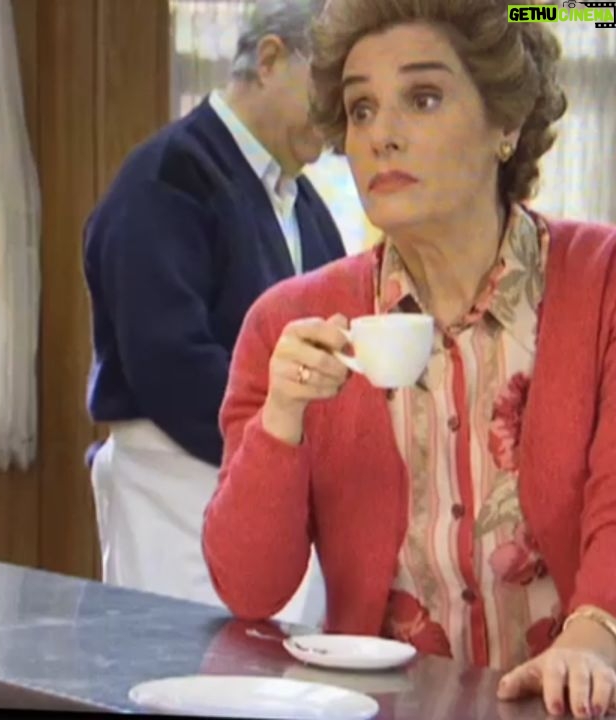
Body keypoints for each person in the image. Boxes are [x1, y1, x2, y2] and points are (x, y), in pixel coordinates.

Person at [202, 0, 616, 716]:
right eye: (361, 109)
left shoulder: (603, 281)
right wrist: (281, 420)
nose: (381, 135)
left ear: (505, 124)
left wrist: (594, 635)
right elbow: (249, 589)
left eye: (422, 98)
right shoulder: (286, 322)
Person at [83, 0, 345, 621]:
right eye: (330, 89)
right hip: (178, 492)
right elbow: (170, 364)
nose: (338, 119)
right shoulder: (167, 177)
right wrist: (278, 442)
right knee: (189, 665)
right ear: (270, 59)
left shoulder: (302, 202)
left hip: (272, 487)